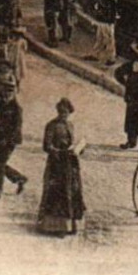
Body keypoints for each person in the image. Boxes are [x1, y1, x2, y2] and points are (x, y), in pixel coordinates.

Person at [38, 98, 86, 236]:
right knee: (58, 194)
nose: (63, 115)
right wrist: (58, 151)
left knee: (71, 192)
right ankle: (57, 227)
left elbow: (72, 142)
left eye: (66, 112)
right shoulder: (51, 125)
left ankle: (70, 225)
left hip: (70, 164)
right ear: (58, 111)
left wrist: (78, 149)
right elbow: (46, 146)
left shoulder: (70, 125)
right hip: (56, 164)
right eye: (61, 112)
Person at [0, 74, 29, 199]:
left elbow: (17, 128)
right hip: (0, 137)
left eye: (10, 92)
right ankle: (19, 179)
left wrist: (8, 140)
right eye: (5, 91)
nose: (7, 94)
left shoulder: (16, 109)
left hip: (9, 140)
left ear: (14, 93)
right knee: (0, 164)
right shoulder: (1, 103)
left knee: (0, 164)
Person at [113, 41, 138, 149]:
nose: (137, 56)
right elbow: (118, 73)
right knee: (131, 119)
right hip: (132, 97)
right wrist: (125, 83)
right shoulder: (129, 66)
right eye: (136, 54)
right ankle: (131, 141)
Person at [86, 0, 119, 64]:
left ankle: (111, 58)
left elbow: (113, 8)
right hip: (102, 19)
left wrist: (111, 19)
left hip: (107, 20)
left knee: (108, 39)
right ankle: (95, 54)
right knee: (99, 37)